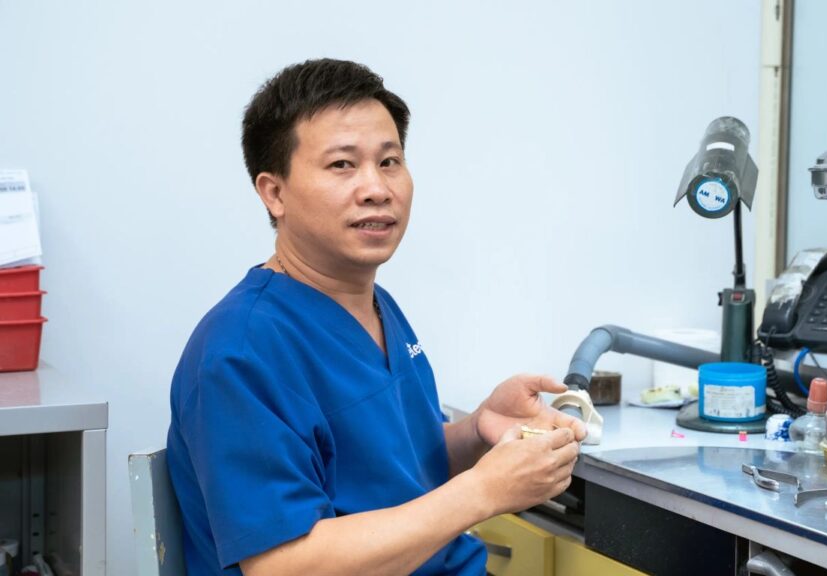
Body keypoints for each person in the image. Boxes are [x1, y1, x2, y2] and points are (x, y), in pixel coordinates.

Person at [165, 58, 587, 576]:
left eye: (390, 162)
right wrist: (482, 492)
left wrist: (479, 430)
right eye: (343, 165)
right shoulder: (241, 350)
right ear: (274, 192)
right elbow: (283, 566)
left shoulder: (375, 306)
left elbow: (390, 473)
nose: (377, 188)